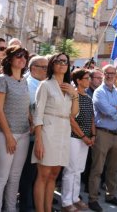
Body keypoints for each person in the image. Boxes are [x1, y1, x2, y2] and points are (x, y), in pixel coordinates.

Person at [32, 53, 79, 212]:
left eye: (65, 61)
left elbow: (74, 114)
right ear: (52, 64)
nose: (62, 64)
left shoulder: (69, 86)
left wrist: (75, 95)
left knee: (54, 175)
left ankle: (48, 209)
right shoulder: (45, 85)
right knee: (43, 175)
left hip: (64, 131)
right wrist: (38, 140)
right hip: (48, 131)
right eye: (58, 61)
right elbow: (38, 114)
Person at [0, 46, 31, 212]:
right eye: (19, 56)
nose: (22, 59)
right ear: (10, 59)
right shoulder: (2, 79)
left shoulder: (25, 80)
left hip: (24, 133)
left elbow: (26, 107)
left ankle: (11, 208)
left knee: (15, 178)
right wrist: (8, 136)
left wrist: (32, 121)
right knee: (1, 178)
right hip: (5, 134)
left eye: (25, 56)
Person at [88, 64, 117, 212]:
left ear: (116, 75)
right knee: (97, 168)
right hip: (103, 134)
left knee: (114, 168)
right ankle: (93, 199)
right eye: (107, 73)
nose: (110, 75)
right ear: (103, 75)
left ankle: (110, 194)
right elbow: (107, 112)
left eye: (113, 73)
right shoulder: (99, 92)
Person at [61, 68, 95, 212]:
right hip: (74, 137)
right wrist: (83, 136)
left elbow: (92, 118)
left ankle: (75, 198)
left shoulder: (87, 97)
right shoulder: (72, 95)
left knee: (79, 169)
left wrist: (93, 136)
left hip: (86, 139)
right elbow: (71, 119)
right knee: (70, 170)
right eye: (86, 78)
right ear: (78, 80)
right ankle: (66, 202)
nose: (89, 80)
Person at [19, 55, 48, 212]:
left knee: (39, 174)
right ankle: (26, 206)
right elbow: (30, 109)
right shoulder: (28, 84)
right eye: (43, 67)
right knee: (28, 175)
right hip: (30, 136)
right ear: (33, 68)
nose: (46, 70)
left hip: (43, 136)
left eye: (47, 67)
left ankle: (38, 205)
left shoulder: (44, 84)